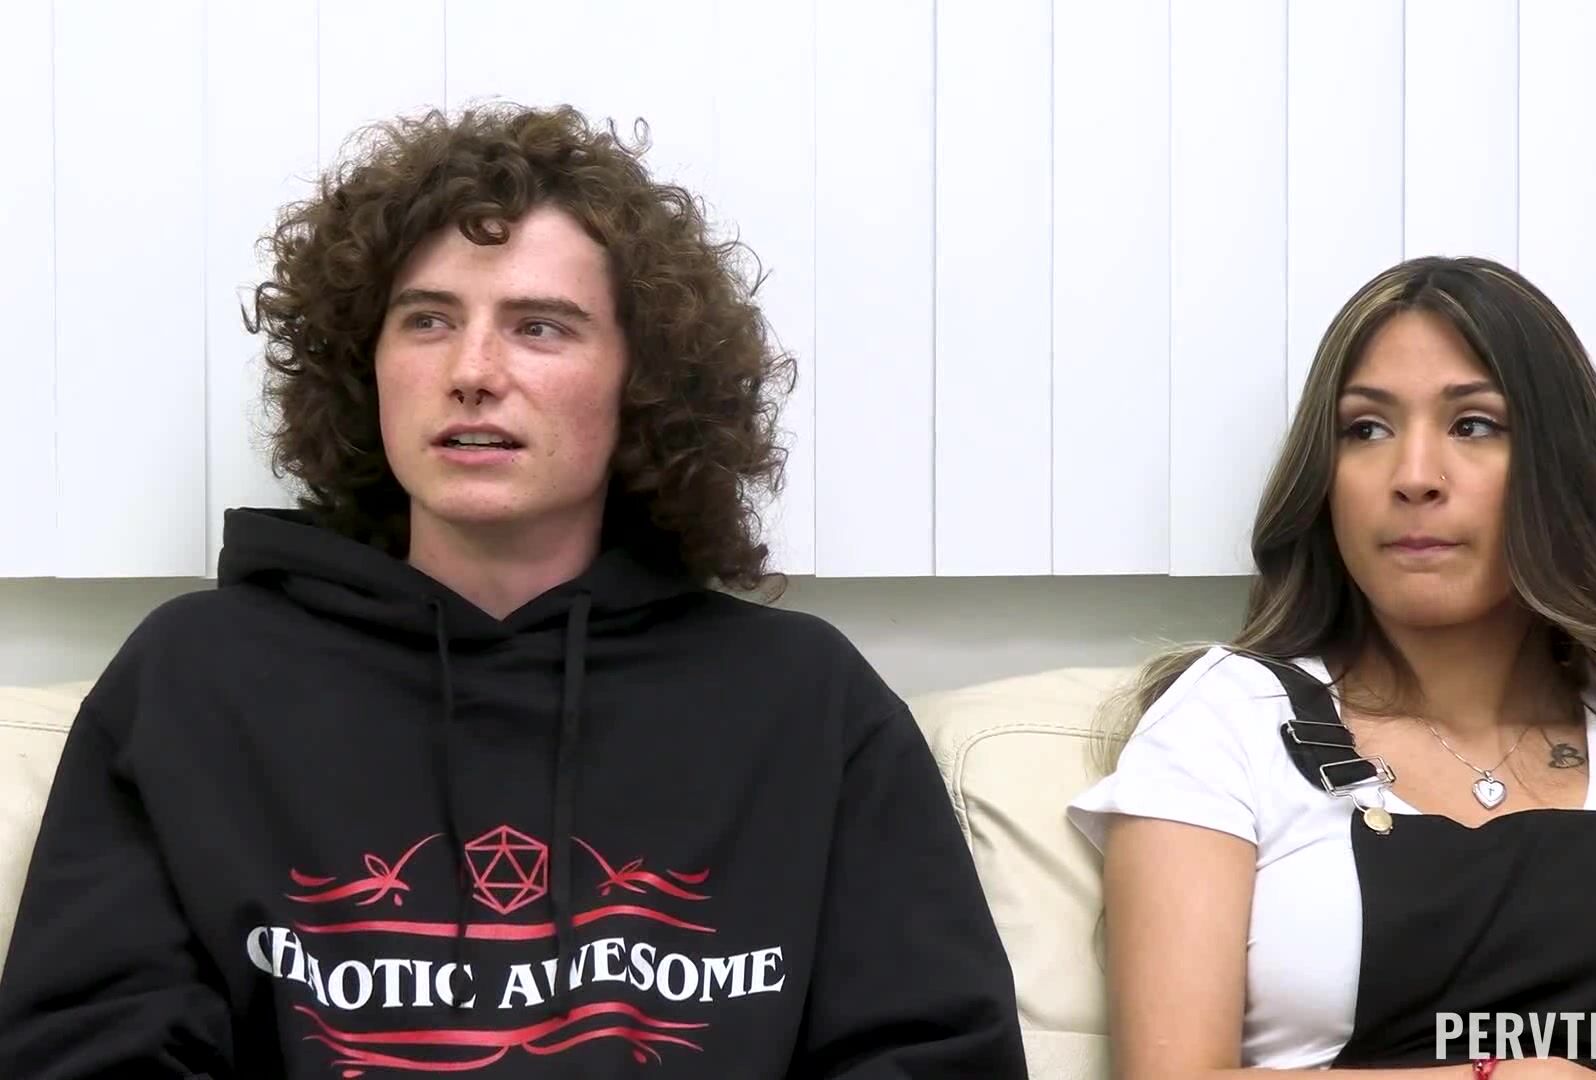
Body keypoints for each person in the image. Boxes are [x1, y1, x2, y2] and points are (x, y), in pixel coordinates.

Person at [0, 104, 1027, 1078]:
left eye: (541, 327)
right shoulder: (196, 680)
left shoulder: (805, 702)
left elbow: (931, 1053)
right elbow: (92, 1051)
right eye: (428, 320)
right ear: (367, 364)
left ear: (643, 381)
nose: (474, 371)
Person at [1067, 256, 1596, 1080]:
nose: (1414, 478)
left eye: (1473, 425)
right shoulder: (1225, 724)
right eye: (1366, 429)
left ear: (1561, 467)